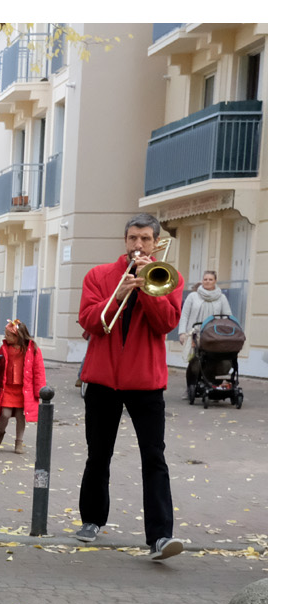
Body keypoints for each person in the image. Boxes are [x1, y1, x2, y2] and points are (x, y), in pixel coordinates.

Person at [75, 213, 184, 560]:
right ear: (125, 240)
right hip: (103, 381)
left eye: (146, 239)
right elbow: (91, 322)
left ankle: (160, 537)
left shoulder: (168, 278)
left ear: (155, 243)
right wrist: (119, 292)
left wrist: (146, 288)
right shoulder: (99, 276)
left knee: (154, 457)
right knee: (98, 454)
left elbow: (166, 323)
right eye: (133, 238)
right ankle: (91, 520)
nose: (139, 245)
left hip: (146, 383)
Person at [0, 318, 45, 454]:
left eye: (8, 335)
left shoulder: (33, 349)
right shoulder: (4, 348)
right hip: (8, 387)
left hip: (23, 389)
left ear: (17, 336)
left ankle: (19, 442)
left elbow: (39, 371)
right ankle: (1, 432)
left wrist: (40, 391)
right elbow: (0, 368)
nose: (5, 337)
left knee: (21, 416)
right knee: (5, 414)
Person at [178, 269, 233, 395]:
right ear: (202, 280)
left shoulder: (221, 298)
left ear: (215, 281)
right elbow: (185, 315)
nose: (207, 282)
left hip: (215, 335)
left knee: (215, 359)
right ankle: (190, 387)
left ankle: (211, 385)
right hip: (195, 334)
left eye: (210, 279)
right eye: (205, 279)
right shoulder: (193, 296)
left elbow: (227, 316)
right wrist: (182, 333)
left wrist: (227, 332)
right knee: (195, 361)